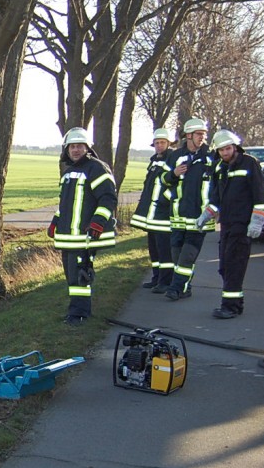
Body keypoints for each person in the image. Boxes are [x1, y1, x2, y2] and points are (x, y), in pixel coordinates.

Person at [47, 127, 118, 326]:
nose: (76, 150)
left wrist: (98, 222)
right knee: (71, 275)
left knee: (80, 275)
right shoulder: (69, 173)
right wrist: (56, 221)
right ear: (66, 149)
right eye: (72, 147)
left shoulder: (96, 168)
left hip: (85, 236)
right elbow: (65, 205)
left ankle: (79, 314)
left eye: (79, 146)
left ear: (87, 148)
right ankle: (75, 311)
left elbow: (108, 199)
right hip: (69, 236)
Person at [198, 130, 264, 319]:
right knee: (225, 267)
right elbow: (216, 197)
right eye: (221, 150)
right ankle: (236, 302)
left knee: (234, 265)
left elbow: (260, 196)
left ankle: (230, 307)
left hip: (242, 224)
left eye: (228, 149)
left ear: (235, 147)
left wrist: (257, 221)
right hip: (227, 224)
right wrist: (207, 213)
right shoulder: (219, 168)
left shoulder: (250, 163)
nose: (225, 153)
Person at [161, 117, 216, 301]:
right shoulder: (175, 156)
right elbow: (162, 180)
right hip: (178, 215)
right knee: (177, 254)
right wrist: (172, 174)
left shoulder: (211, 157)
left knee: (188, 255)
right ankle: (185, 287)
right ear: (189, 135)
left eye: (204, 134)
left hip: (200, 216)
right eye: (199, 134)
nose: (202, 137)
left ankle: (175, 288)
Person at [129, 128, 175, 293]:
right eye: (156, 143)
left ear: (169, 143)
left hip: (164, 215)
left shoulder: (173, 160)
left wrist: (165, 200)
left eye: (162, 142)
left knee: (165, 252)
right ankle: (156, 278)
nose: (159, 146)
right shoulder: (154, 161)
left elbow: (178, 185)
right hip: (152, 215)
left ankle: (166, 281)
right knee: (154, 250)